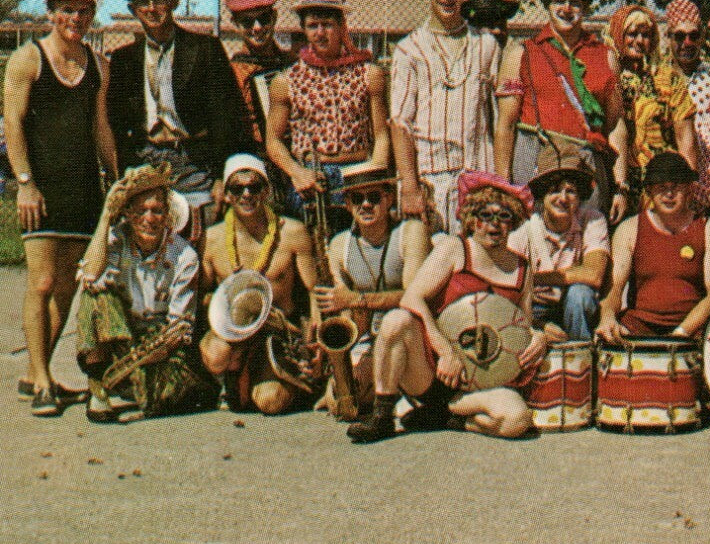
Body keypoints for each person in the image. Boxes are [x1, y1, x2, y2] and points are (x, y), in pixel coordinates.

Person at [347, 172, 547, 442]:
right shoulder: (455, 249)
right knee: (396, 320)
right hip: (432, 370)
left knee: (516, 420)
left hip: (480, 383)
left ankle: (446, 416)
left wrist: (539, 336)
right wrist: (445, 352)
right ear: (471, 219)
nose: (494, 225)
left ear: (513, 223)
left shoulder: (521, 268)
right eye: (485, 215)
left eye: (504, 217)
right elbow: (411, 298)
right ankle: (382, 417)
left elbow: (522, 326)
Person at [4, 0, 117, 414]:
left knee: (69, 286)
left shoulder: (99, 66)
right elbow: (12, 124)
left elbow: (101, 128)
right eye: (66, 9)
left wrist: (117, 174)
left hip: (83, 189)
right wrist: (25, 184)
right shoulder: (26, 60)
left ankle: (39, 375)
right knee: (42, 282)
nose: (75, 18)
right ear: (51, 12)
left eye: (84, 10)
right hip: (42, 188)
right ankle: (42, 383)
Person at [107, 0, 246, 239]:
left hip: (193, 162)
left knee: (199, 243)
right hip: (144, 162)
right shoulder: (124, 59)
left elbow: (227, 117)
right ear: (133, 9)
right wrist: (123, 174)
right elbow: (117, 125)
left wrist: (222, 176)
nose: (152, 7)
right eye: (143, 2)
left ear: (173, 1)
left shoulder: (205, 49)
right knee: (148, 247)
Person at [74, 164, 217, 422]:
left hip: (158, 342)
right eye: (141, 211)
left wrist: (149, 355)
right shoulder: (117, 241)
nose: (149, 219)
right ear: (127, 213)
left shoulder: (184, 256)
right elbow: (91, 275)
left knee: (171, 398)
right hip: (120, 333)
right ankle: (98, 389)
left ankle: (127, 381)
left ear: (168, 215)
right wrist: (106, 216)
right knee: (95, 295)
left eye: (157, 211)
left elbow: (179, 327)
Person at [494, 0, 626, 222]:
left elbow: (616, 124)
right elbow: (506, 126)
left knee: (588, 244)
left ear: (585, 8)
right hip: (535, 159)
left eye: (574, 2)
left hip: (588, 164)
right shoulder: (521, 54)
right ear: (547, 5)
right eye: (559, 1)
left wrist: (621, 186)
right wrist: (504, 186)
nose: (566, 9)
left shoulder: (606, 56)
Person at [389, 0, 501, 233]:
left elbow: (499, 120)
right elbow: (400, 124)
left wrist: (501, 180)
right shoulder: (408, 49)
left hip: (478, 174)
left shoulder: (486, 44)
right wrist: (411, 187)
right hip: (429, 178)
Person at [198, 154, 318, 414]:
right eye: (237, 188)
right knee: (215, 355)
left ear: (265, 190)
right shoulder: (213, 238)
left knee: (270, 402)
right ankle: (237, 375)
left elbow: (313, 293)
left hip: (280, 333)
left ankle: (280, 379)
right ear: (227, 194)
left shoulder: (293, 232)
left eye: (254, 186)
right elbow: (201, 296)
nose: (246, 194)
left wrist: (312, 344)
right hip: (235, 333)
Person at [265, 0, 390, 227]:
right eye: (313, 25)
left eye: (328, 25)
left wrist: (375, 172)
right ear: (303, 28)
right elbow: (273, 140)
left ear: (342, 26)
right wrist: (296, 172)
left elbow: (382, 135)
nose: (320, 33)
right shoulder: (286, 81)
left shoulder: (368, 74)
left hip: (358, 174)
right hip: (311, 177)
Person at [321, 166, 430, 412]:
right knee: (340, 404)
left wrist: (357, 299)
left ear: (389, 198)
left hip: (409, 337)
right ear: (347, 204)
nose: (366, 205)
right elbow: (340, 308)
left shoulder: (411, 232)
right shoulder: (339, 246)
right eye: (357, 199)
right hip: (366, 340)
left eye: (374, 197)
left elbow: (413, 298)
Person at [597, 152, 710, 340]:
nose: (668, 194)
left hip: (693, 328)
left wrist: (682, 332)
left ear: (689, 189)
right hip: (639, 324)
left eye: (676, 187)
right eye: (661, 187)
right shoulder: (629, 228)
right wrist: (608, 317)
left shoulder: (709, 229)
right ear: (649, 191)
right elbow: (615, 288)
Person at [506, 144, 610, 341]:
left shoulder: (592, 220)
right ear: (543, 195)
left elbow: (594, 275)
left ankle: (582, 360)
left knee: (580, 295)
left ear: (580, 197)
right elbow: (509, 286)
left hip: (573, 308)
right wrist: (538, 327)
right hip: (532, 309)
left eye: (570, 191)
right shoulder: (523, 228)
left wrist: (535, 279)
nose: (562, 198)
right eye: (554, 191)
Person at [609, 2, 697, 197]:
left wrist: (689, 184)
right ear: (618, 36)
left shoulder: (668, 78)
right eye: (632, 34)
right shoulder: (608, 78)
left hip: (662, 180)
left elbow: (685, 136)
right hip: (618, 180)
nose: (639, 41)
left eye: (646, 35)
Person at [666, 0, 710, 211]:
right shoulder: (658, 80)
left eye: (693, 36)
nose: (687, 43)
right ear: (668, 37)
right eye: (679, 36)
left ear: (702, 38)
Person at [224, 0, 294, 156]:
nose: (257, 27)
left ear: (274, 17)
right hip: (255, 156)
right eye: (247, 22)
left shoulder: (293, 63)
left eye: (264, 19)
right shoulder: (230, 73)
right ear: (235, 24)